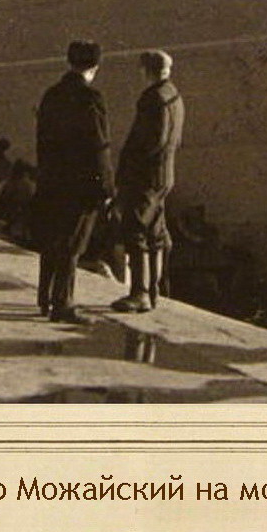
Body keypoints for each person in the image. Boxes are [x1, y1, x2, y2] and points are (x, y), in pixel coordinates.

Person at [33, 40, 113, 324]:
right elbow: (98, 145)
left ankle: (44, 298)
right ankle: (63, 303)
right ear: (95, 66)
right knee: (72, 244)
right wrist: (106, 186)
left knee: (51, 240)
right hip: (80, 185)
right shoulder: (91, 98)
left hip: (51, 180)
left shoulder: (51, 95)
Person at [111, 50, 185, 313]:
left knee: (135, 230)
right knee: (155, 233)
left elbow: (148, 141)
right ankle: (153, 291)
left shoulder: (151, 98)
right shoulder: (175, 96)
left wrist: (126, 172)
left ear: (147, 70)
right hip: (164, 174)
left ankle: (139, 292)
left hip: (144, 176)